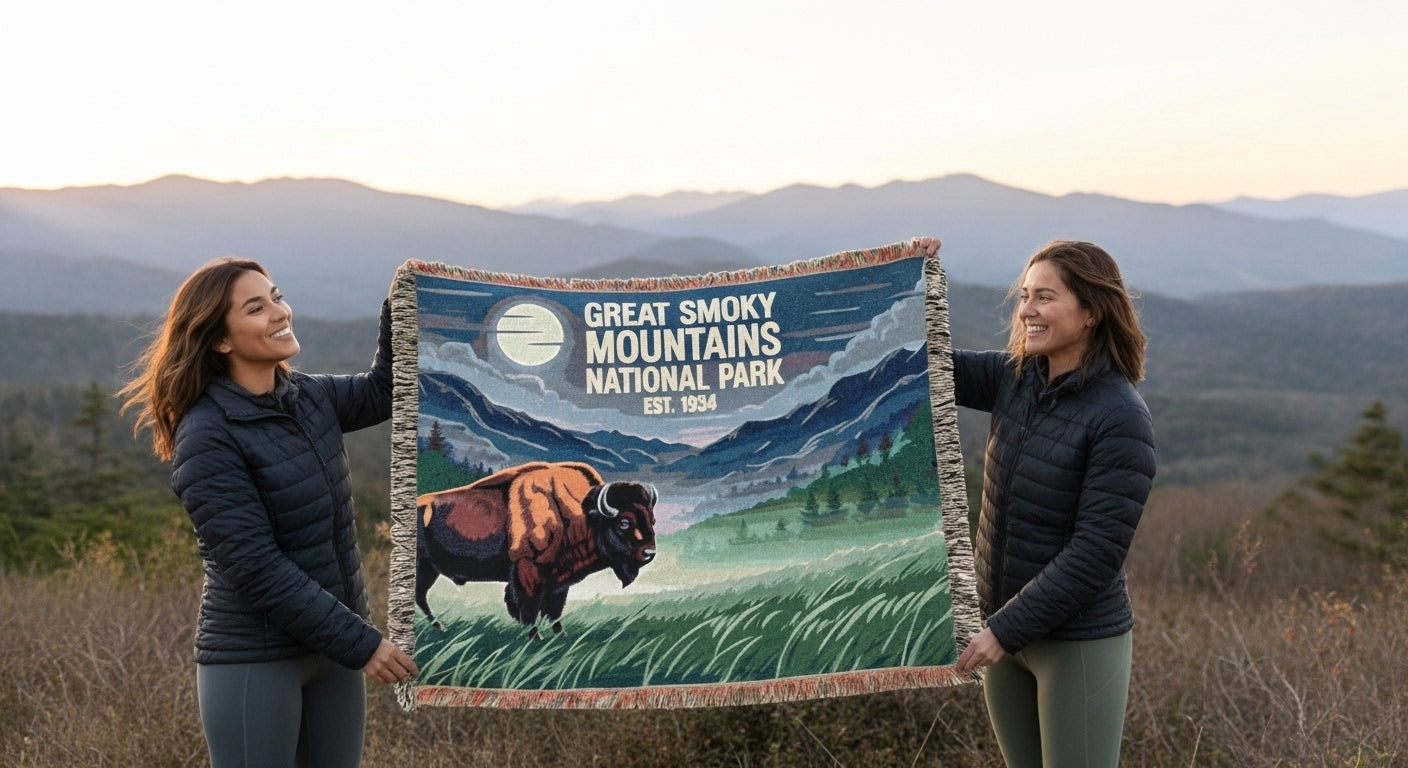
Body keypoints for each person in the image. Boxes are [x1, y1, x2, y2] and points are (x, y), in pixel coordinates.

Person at [119, 256, 417, 767]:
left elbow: (386, 390)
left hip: (334, 654)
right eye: (257, 308)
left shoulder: (310, 397)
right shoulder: (207, 434)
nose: (280, 312)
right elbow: (255, 566)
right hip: (256, 661)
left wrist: (401, 305)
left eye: (277, 297)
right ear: (220, 340)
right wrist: (362, 642)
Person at [920, 237, 1155, 767]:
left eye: (1044, 297)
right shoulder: (1016, 379)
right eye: (1025, 296)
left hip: (1074, 644)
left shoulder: (1120, 415)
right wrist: (911, 276)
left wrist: (1003, 629)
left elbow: (1096, 552)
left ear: (1092, 311)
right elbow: (924, 365)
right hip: (1002, 635)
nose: (1026, 310)